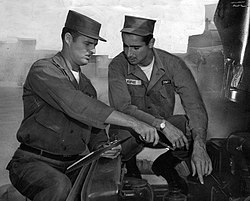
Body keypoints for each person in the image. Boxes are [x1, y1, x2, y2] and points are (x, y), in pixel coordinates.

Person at [6, 10, 160, 201]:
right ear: (68, 39)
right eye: (87, 44)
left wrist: (103, 145)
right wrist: (135, 123)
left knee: (106, 190)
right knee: (58, 186)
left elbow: (94, 129)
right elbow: (78, 105)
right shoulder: (43, 70)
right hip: (34, 162)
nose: (93, 50)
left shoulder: (86, 85)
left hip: (74, 164)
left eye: (94, 45)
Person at [108, 15, 213, 195]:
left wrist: (200, 146)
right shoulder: (117, 66)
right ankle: (130, 172)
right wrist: (161, 124)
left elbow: (194, 106)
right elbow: (123, 107)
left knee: (192, 130)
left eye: (135, 47)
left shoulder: (173, 64)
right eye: (125, 46)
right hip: (131, 130)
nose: (129, 53)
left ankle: (166, 167)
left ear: (151, 43)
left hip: (161, 130)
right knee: (117, 142)